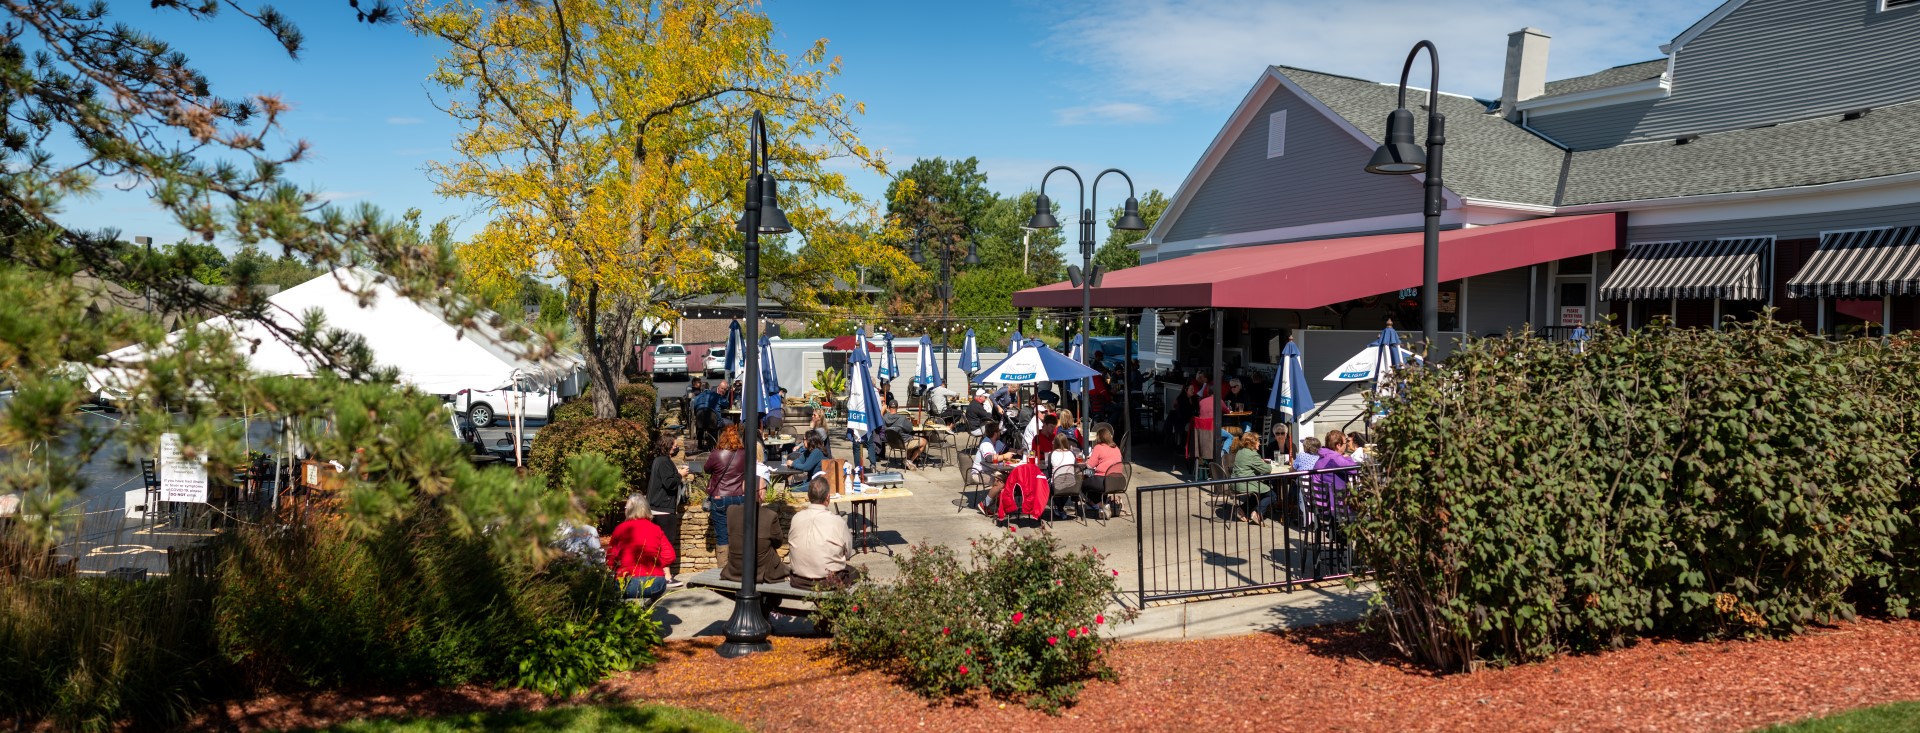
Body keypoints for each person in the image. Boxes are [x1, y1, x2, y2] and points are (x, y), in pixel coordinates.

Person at [722, 464, 790, 584]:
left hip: (735, 569)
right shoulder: (770, 515)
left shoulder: (731, 511)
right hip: (762, 570)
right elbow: (778, 542)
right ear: (760, 493)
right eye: (765, 488)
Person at [788, 477, 858, 591]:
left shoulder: (796, 518)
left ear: (809, 497)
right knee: (855, 573)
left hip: (798, 580)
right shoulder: (837, 521)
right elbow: (848, 552)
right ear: (828, 498)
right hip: (827, 581)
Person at [607, 495, 676, 601]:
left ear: (629, 510)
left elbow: (611, 559)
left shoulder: (620, 529)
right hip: (655, 582)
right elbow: (670, 555)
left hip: (627, 581)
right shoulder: (656, 529)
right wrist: (656, 564)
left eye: (625, 508)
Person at [646, 435, 690, 582]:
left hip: (656, 507)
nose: (676, 448)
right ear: (667, 446)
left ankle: (659, 574)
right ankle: (667, 577)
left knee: (658, 543)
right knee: (666, 543)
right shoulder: (664, 461)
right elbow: (669, 483)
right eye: (674, 445)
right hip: (663, 509)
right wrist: (680, 474)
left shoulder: (659, 461)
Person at [704, 425, 748, 548]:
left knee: (722, 536)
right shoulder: (744, 454)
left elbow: (706, 469)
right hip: (739, 495)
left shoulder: (716, 454)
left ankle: (723, 566)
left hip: (720, 496)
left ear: (722, 438)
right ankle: (739, 563)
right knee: (738, 533)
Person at [1228, 431, 1276, 525]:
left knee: (1260, 492)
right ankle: (1257, 513)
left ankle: (1241, 509)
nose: (1259, 443)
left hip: (1235, 483)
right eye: (1258, 440)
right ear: (1252, 442)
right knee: (1272, 495)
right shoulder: (1252, 454)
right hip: (1245, 483)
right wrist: (1263, 463)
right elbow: (1267, 469)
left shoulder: (1241, 451)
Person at [1313, 430, 1359, 519]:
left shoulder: (1323, 455)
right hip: (1334, 507)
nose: (1346, 446)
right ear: (1338, 445)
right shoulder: (1334, 457)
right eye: (1345, 443)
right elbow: (1354, 469)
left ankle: (1334, 532)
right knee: (1363, 515)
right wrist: (1348, 457)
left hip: (1322, 504)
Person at [880, 403, 927, 469]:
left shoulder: (884, 418)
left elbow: (880, 422)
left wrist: (882, 411)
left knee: (911, 438)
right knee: (924, 441)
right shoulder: (902, 418)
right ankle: (909, 460)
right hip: (904, 443)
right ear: (897, 407)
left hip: (892, 444)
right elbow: (910, 429)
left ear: (888, 407)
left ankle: (907, 458)